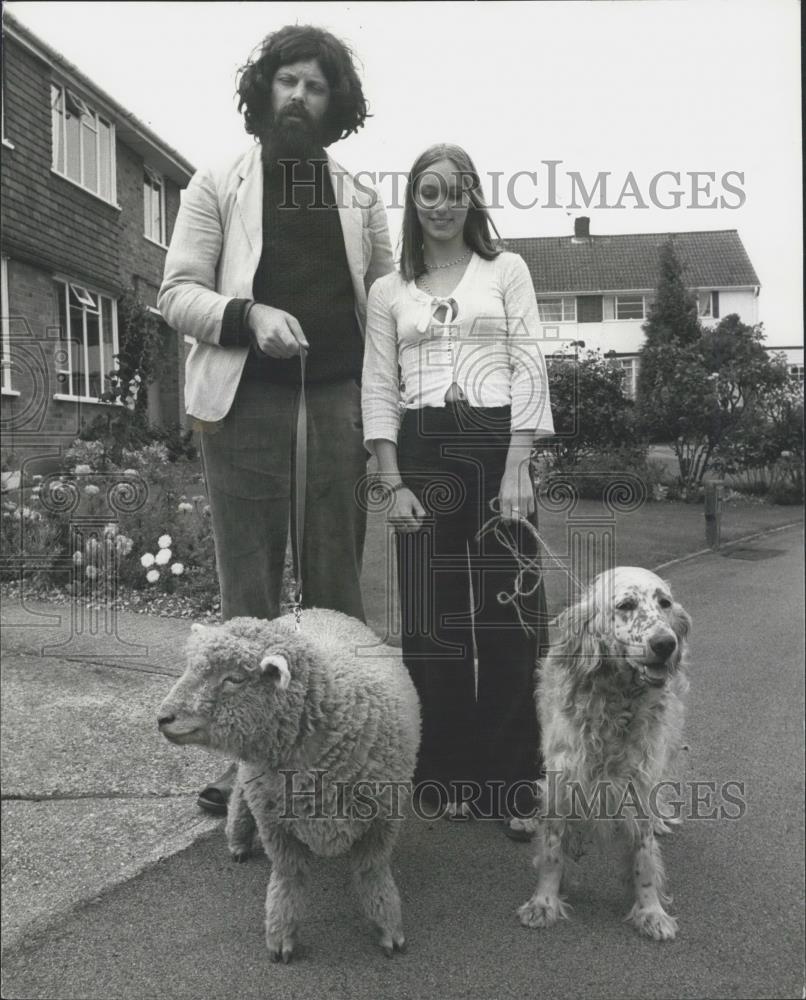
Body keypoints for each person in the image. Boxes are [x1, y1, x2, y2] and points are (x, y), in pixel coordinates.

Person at [158, 25, 394, 814]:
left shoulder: (360, 199)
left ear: (336, 106)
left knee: (334, 592)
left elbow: (389, 305)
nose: (298, 95)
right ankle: (246, 770)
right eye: (287, 81)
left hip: (335, 403)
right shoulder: (216, 182)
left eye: (315, 86)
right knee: (248, 597)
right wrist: (247, 313)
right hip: (244, 406)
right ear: (264, 92)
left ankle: (344, 755)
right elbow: (176, 293)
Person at [361, 144, 554, 836]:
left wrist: (517, 465)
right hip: (421, 452)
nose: (442, 205)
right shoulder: (389, 290)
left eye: (455, 191)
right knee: (432, 624)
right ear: (412, 203)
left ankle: (512, 777)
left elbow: (527, 365)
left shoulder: (507, 271)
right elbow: (379, 385)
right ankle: (446, 771)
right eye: (428, 193)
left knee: (510, 615)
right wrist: (392, 481)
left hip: (495, 442)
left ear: (474, 198)